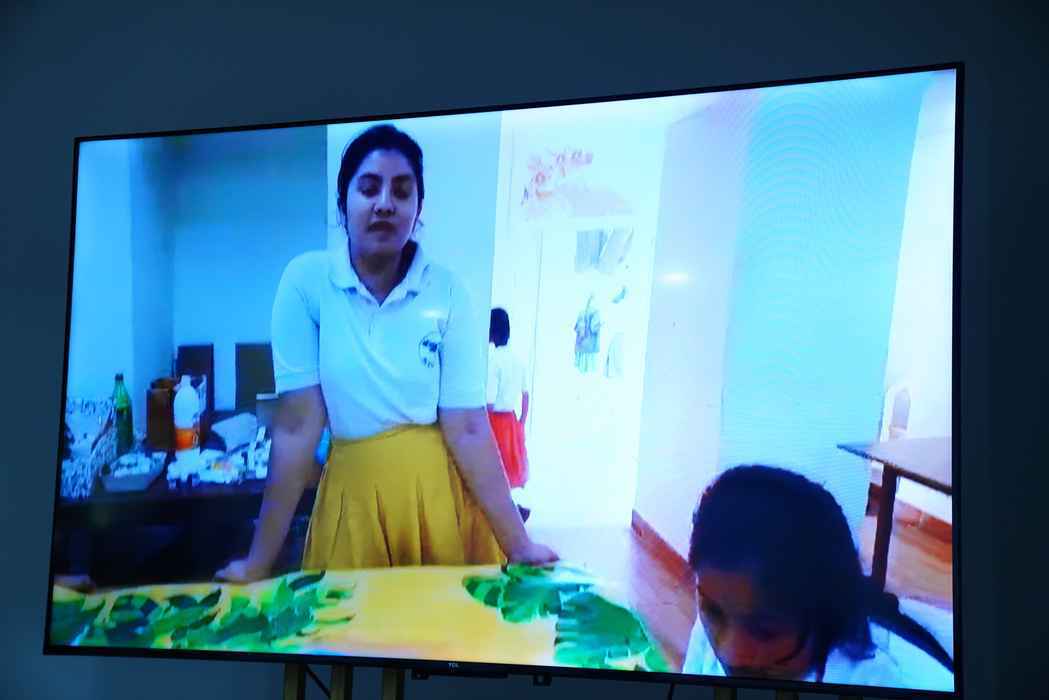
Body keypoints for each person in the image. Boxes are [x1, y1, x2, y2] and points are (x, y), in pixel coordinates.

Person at [217, 124, 556, 581]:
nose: (385, 203)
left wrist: (520, 544)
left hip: (437, 500)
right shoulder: (306, 283)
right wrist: (258, 562)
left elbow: (469, 428)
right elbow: (298, 427)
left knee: (439, 624)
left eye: (401, 191)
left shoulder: (448, 291)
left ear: (418, 209)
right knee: (346, 621)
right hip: (352, 500)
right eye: (369, 187)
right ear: (343, 203)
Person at [683, 465, 953, 692]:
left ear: (829, 618)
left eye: (766, 631)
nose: (730, 653)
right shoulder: (726, 605)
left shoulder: (888, 681)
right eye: (712, 612)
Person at [486, 308, 530, 518]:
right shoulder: (517, 360)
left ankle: (507, 515)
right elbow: (525, 395)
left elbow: (489, 402)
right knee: (508, 473)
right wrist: (521, 422)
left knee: (493, 473)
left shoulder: (493, 360)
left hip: (494, 422)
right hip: (511, 421)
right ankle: (513, 511)